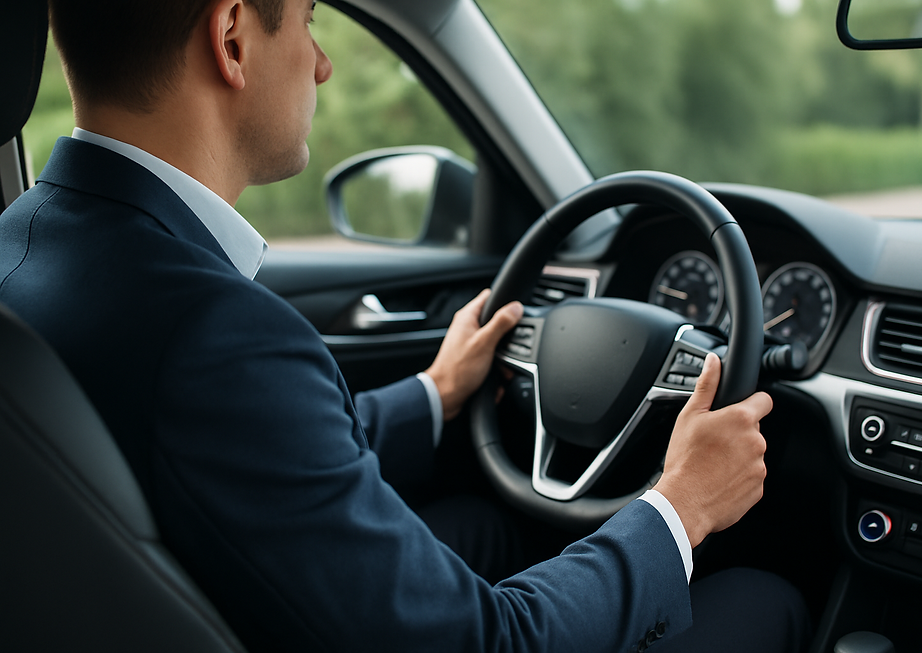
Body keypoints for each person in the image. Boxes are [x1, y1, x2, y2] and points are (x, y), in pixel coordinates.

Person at [0, 0, 808, 651]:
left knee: (490, 526)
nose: (320, 63)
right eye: (311, 21)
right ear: (234, 37)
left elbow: (252, 453)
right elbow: (489, 640)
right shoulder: (215, 333)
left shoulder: (28, 240)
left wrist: (434, 391)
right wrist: (681, 504)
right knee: (763, 599)